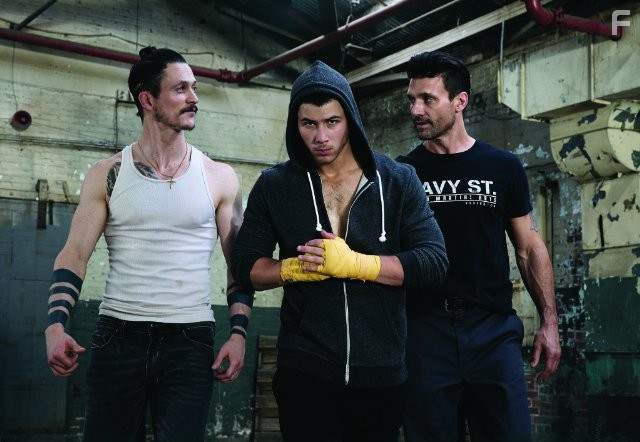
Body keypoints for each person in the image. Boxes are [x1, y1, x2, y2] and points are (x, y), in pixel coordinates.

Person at [231, 60, 448, 442]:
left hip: (382, 371)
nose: (321, 136)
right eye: (308, 124)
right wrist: (294, 268)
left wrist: (356, 265)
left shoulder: (397, 179)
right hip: (305, 368)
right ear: (295, 124)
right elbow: (246, 266)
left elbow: (433, 262)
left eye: (332, 122)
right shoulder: (275, 185)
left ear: (350, 119)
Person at [44, 46, 251, 441]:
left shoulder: (220, 177)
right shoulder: (106, 174)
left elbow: (237, 264)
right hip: (117, 335)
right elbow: (74, 254)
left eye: (195, 88)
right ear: (148, 100)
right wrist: (55, 325)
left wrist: (238, 334)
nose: (194, 98)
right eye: (181, 89)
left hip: (190, 339)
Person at [397, 50, 562, 442]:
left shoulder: (502, 166)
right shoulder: (402, 173)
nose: (416, 110)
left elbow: (529, 248)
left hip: (492, 329)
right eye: (412, 99)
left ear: (460, 101)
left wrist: (550, 322)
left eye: (428, 99)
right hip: (424, 331)